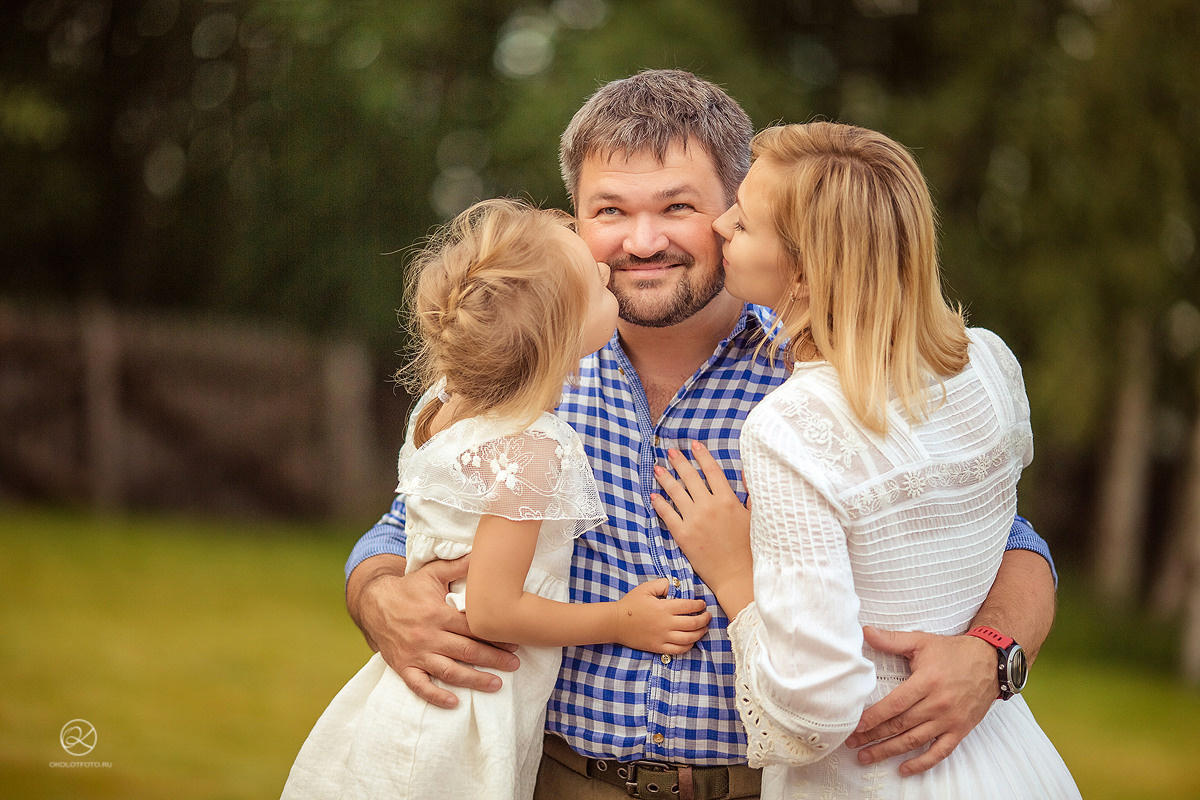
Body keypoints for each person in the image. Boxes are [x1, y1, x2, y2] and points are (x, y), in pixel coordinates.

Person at [345, 70, 1060, 800]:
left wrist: (993, 653)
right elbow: (415, 521)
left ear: (736, 211)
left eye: (677, 206)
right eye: (611, 210)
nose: (643, 240)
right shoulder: (517, 370)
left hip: (767, 783)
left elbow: (1006, 536)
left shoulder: (827, 376)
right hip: (555, 777)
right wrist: (377, 597)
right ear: (577, 220)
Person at [651, 122, 1081, 798]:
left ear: (806, 269)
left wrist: (737, 576)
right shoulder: (987, 361)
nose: (722, 223)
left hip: (879, 769)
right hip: (1005, 760)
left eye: (747, 220)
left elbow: (814, 710)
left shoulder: (792, 423)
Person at [281, 198, 711, 800]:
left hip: (421, 699)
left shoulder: (444, 401)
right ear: (563, 332)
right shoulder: (528, 451)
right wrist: (620, 620)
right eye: (596, 285)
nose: (609, 274)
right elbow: (491, 610)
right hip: (467, 709)